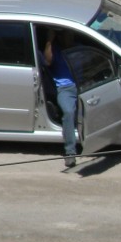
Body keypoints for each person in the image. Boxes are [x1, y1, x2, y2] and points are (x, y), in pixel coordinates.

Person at [40, 27, 79, 168]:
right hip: (65, 89)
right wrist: (49, 40)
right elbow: (47, 61)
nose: (70, 39)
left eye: (72, 35)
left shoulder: (78, 49)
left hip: (83, 85)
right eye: (67, 35)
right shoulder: (54, 50)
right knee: (68, 112)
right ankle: (70, 152)